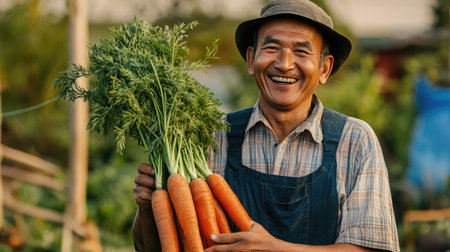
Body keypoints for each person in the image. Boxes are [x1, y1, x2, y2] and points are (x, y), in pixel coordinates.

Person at [132, 0, 400, 251]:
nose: (284, 64)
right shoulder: (210, 135)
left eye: (301, 51)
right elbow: (156, 246)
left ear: (324, 69)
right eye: (272, 48)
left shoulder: (353, 140)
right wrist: (147, 206)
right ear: (251, 60)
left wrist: (275, 248)